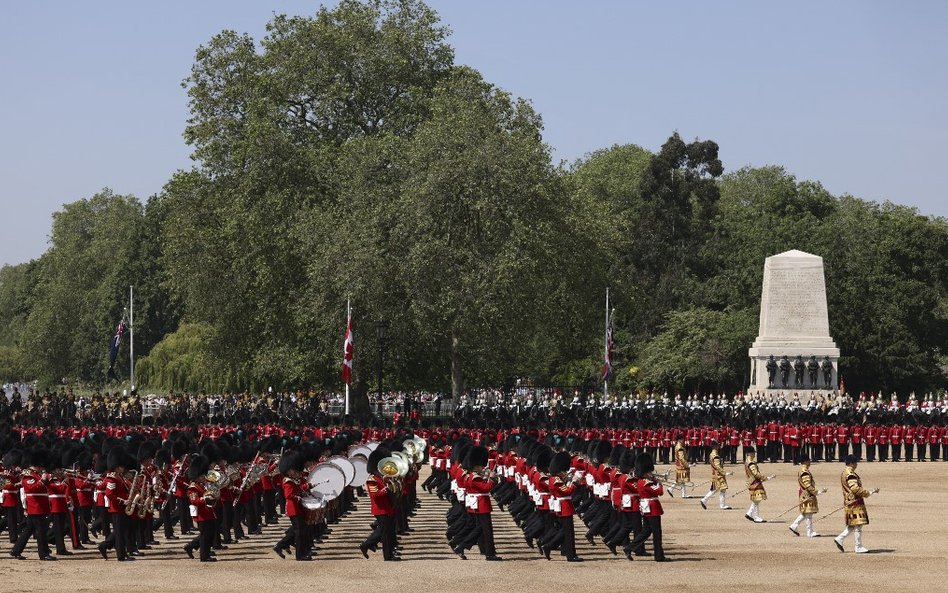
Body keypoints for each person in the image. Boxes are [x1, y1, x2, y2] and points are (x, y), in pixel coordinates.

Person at [9, 448, 55, 560]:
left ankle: (16, 550)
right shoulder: (28, 474)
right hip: (36, 507)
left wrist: (46, 480)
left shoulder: (37, 475)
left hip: (40, 506)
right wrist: (43, 481)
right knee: (41, 531)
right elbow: (31, 489)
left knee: (28, 530)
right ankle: (43, 554)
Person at [626, 453, 668, 562]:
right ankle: (659, 556)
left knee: (646, 531)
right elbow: (660, 492)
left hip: (646, 508)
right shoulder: (645, 483)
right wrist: (659, 483)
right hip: (652, 509)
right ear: (645, 472)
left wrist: (654, 480)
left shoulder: (641, 481)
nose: (651, 473)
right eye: (649, 472)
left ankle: (629, 547)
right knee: (657, 533)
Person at [834, 455, 878, 554]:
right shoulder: (850, 474)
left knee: (853, 524)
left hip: (849, 501)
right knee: (858, 524)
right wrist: (868, 493)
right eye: (855, 463)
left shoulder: (845, 473)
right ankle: (858, 546)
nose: (856, 465)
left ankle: (840, 538)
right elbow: (855, 488)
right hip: (855, 502)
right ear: (852, 463)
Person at [360, 447, 398, 561]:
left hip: (387, 508)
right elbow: (375, 495)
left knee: (386, 531)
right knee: (385, 533)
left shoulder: (381, 478)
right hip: (380, 509)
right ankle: (388, 555)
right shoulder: (372, 479)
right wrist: (387, 488)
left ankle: (367, 545)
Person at [463, 446, 501, 560]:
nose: (482, 467)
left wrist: (486, 477)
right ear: (475, 465)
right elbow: (486, 488)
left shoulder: (470, 476)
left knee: (481, 528)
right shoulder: (474, 477)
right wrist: (492, 479)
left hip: (477, 503)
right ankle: (489, 553)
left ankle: (484, 549)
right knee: (487, 530)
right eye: (480, 465)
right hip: (481, 504)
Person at [183, 454, 217, 562]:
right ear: (197, 476)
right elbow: (194, 501)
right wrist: (205, 498)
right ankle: (204, 556)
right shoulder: (193, 487)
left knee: (209, 534)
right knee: (205, 536)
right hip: (201, 515)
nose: (204, 478)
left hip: (208, 512)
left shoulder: (201, 485)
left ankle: (191, 546)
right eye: (202, 476)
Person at [548, 450, 580, 562]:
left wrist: (568, 479)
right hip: (564, 506)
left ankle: (565, 551)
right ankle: (571, 555)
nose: (564, 472)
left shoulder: (556, 478)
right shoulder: (556, 480)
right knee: (569, 533)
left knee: (565, 531)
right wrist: (575, 483)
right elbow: (567, 492)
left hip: (564, 505)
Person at [789, 455, 821, 537]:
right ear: (806, 461)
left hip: (804, 493)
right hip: (807, 494)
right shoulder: (805, 472)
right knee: (809, 513)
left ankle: (794, 525)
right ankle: (809, 532)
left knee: (806, 513)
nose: (810, 462)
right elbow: (807, 484)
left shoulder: (803, 470)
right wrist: (815, 492)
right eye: (809, 461)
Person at [744, 447, 773, 523]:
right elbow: (756, 473)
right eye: (753, 453)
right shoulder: (751, 462)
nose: (754, 454)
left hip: (752, 482)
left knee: (756, 499)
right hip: (754, 482)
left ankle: (749, 513)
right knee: (757, 498)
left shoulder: (747, 461)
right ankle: (756, 517)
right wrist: (765, 478)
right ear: (750, 453)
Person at [700, 442, 732, 510]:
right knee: (722, 489)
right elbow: (717, 466)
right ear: (715, 446)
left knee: (715, 489)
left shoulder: (712, 454)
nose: (719, 446)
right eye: (717, 445)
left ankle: (705, 500)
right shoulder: (715, 455)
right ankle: (721, 505)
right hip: (719, 475)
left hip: (715, 474)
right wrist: (724, 473)